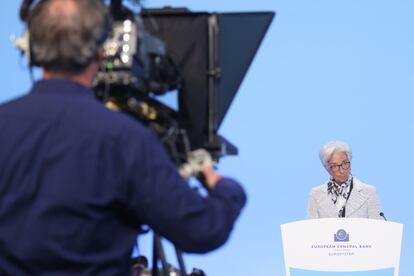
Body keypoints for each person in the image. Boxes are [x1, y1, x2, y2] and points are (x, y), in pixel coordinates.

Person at [0, 0, 246, 274]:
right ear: (99, 50)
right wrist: (225, 189)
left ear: (32, 50)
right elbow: (202, 230)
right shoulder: (126, 140)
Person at [307, 141, 382, 219]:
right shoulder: (316, 194)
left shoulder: (369, 192)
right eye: (335, 166)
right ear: (326, 168)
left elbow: (377, 226)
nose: (342, 170)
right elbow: (311, 228)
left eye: (345, 163)